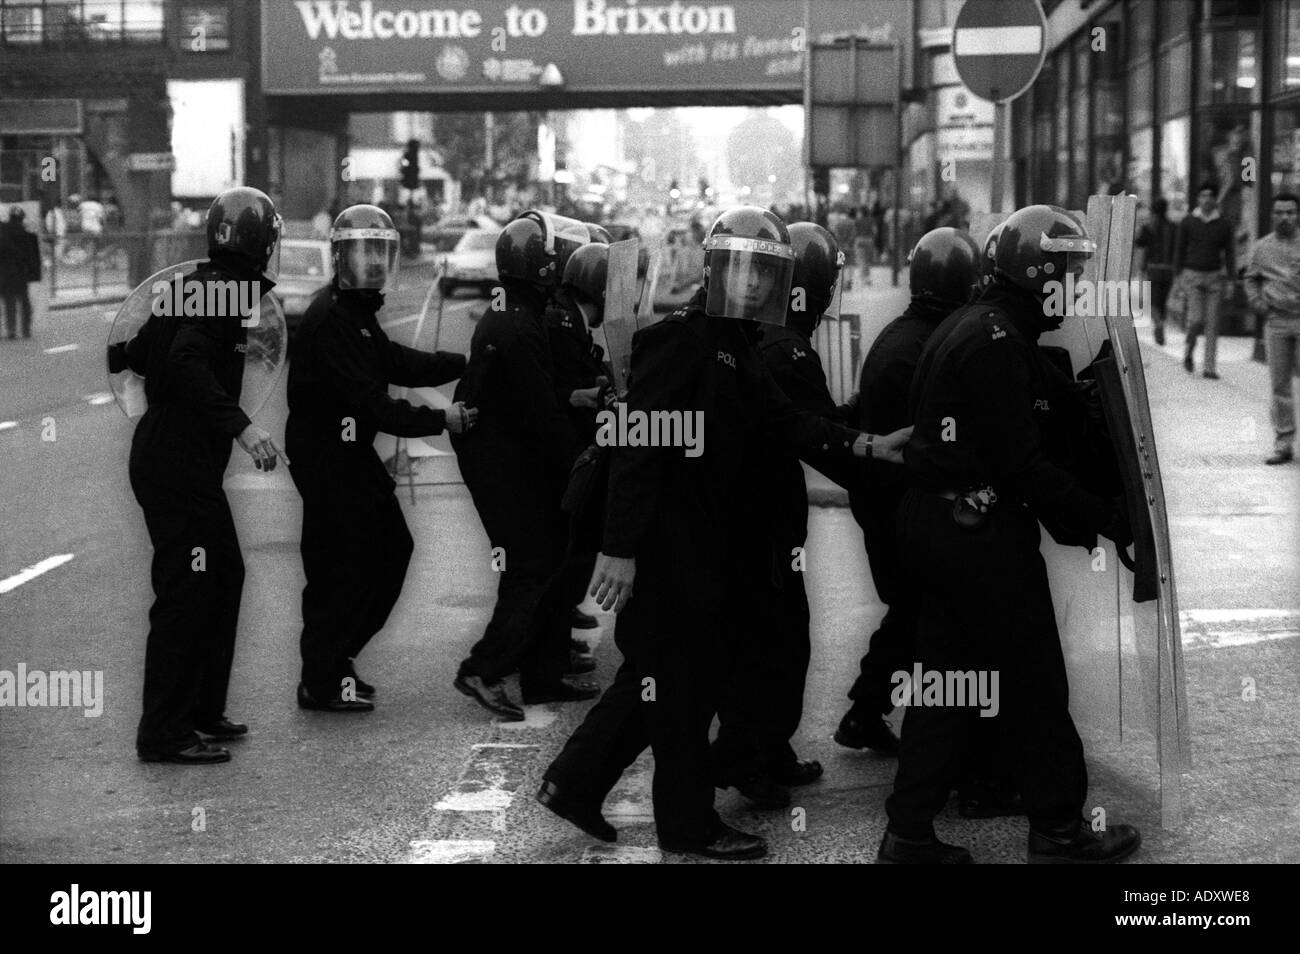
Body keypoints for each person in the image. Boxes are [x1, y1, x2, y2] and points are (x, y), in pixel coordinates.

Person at [537, 206, 911, 861]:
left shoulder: (737, 346)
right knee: (682, 690)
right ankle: (687, 827)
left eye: (764, 274)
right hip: (665, 550)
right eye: (741, 272)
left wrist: (869, 446)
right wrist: (619, 551)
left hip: (700, 547)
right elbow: (637, 448)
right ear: (713, 271)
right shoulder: (680, 341)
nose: (752, 287)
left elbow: (787, 421)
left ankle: (573, 782)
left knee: (660, 679)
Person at [879, 204, 1141, 864]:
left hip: (940, 526)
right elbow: (1022, 464)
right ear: (1037, 274)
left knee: (945, 686)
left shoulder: (983, 327)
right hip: (974, 535)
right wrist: (1107, 519)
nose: (1075, 287)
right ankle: (1058, 831)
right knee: (1034, 684)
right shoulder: (994, 341)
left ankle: (907, 834)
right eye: (1067, 274)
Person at [107, 186, 287, 765]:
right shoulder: (217, 293)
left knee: (222, 574)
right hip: (176, 460)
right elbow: (183, 359)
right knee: (186, 591)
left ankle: (201, 710)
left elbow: (135, 353)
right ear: (261, 243)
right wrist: (245, 427)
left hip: (173, 457)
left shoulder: (198, 287)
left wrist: (141, 353)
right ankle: (163, 732)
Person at [286, 204, 474, 713]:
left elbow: (394, 362)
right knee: (338, 568)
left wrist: (461, 364)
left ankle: (335, 662)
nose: (371, 263)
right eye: (360, 253)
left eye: (379, 253)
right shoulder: (331, 319)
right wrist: (444, 420)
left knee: (385, 552)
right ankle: (322, 679)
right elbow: (372, 404)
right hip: (327, 460)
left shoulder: (356, 316)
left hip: (348, 457)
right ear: (339, 258)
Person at [711, 222, 859, 809]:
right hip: (762, 525)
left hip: (749, 519)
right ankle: (746, 760)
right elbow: (824, 436)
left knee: (768, 644)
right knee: (775, 646)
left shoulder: (767, 339)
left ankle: (765, 753)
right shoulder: (787, 348)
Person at [836, 227, 981, 759]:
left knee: (911, 612)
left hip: (886, 502)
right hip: (900, 505)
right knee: (928, 619)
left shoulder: (909, 334)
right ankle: (936, 751)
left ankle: (865, 711)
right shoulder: (927, 346)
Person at [451, 211, 599, 721]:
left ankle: (540, 675)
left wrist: (573, 395)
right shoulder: (519, 322)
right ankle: (483, 668)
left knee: (544, 560)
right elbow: (540, 414)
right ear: (543, 267)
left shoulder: (518, 311)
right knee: (532, 566)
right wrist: (578, 462)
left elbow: (534, 393)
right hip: (500, 463)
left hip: (504, 456)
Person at [547, 239, 613, 642]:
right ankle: (551, 646)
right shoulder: (563, 323)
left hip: (568, 443)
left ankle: (559, 628)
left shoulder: (567, 319)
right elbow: (568, 387)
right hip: (563, 450)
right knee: (573, 544)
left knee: (577, 543)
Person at [1243, 191, 1300, 466]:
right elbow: (1250, 279)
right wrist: (1259, 304)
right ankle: (1283, 442)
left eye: (1290, 212)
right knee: (1280, 386)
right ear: (1273, 215)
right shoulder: (1262, 248)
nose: (1285, 217)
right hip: (1276, 322)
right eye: (1280, 212)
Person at [1174, 182, 1237, 379]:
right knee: (1196, 320)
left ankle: (1209, 368)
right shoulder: (1188, 222)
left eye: (1210, 195)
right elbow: (1179, 250)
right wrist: (1178, 278)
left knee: (1212, 324)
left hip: (1215, 278)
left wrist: (1231, 281)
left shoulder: (1224, 224)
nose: (1206, 199)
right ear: (1198, 199)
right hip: (1192, 275)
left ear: (1215, 199)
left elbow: (1229, 253)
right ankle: (1189, 351)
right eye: (1203, 195)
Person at [1135, 198, 1177, 345]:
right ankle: (1161, 324)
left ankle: (1158, 323)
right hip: (1169, 270)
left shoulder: (1148, 227)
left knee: (1152, 301)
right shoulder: (1173, 227)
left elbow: (1139, 242)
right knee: (1162, 301)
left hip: (1153, 269)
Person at [0, 207, 40, 339]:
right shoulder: (28, 236)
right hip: (21, 274)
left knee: (9, 302)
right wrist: (34, 275)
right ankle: (25, 330)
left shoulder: (3, 233)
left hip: (5, 273)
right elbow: (33, 258)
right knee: (24, 301)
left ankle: (11, 330)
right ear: (22, 219)